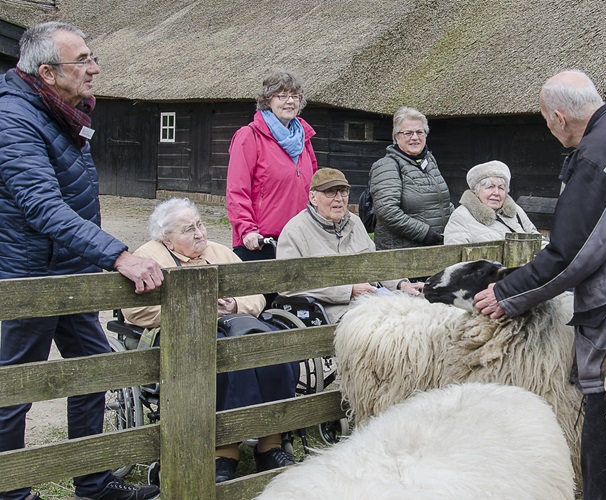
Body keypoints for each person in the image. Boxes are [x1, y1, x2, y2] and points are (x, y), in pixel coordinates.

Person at [473, 69, 606, 499]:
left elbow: (572, 253)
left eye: (547, 121)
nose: (549, 130)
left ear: (561, 116)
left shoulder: (597, 154)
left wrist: (507, 293)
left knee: (602, 439)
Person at [0, 22, 164, 500]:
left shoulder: (61, 113)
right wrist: (118, 256)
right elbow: (41, 205)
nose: (94, 69)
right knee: (17, 386)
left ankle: (93, 483)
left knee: (94, 370)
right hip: (31, 274)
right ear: (48, 72)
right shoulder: (15, 118)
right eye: (83, 61)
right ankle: (10, 491)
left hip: (69, 271)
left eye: (93, 58)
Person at [121, 198, 299, 482]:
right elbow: (136, 310)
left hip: (236, 323)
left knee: (272, 345)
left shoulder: (221, 252)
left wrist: (235, 306)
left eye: (200, 224)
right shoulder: (147, 257)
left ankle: (271, 443)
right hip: (183, 332)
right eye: (188, 229)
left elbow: (256, 292)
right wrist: (196, 306)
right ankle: (224, 451)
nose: (200, 233)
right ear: (166, 238)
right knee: (223, 355)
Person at [276, 168, 424, 323]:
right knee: (387, 325)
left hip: (372, 300)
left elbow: (377, 265)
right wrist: (349, 290)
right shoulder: (295, 231)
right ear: (313, 197)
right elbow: (289, 286)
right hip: (331, 309)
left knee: (417, 314)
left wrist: (401, 284)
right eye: (330, 192)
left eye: (343, 191)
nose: (339, 198)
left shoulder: (355, 222)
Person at [226, 69, 318, 262]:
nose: (290, 101)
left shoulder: (304, 138)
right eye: (282, 95)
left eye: (295, 96)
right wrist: (247, 230)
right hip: (261, 242)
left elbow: (315, 186)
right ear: (268, 100)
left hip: (299, 237)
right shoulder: (249, 136)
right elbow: (236, 190)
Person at [369, 106, 452, 250]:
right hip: (403, 252)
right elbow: (387, 211)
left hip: (435, 247)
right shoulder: (387, 165)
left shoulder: (430, 161)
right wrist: (425, 233)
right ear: (396, 136)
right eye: (408, 133)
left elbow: (442, 202)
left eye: (420, 132)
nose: (415, 137)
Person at [443, 160, 546, 246]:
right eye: (490, 187)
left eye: (501, 188)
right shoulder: (460, 217)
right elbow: (455, 261)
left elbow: (536, 239)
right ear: (476, 191)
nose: (496, 193)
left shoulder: (515, 210)